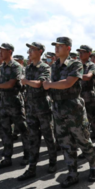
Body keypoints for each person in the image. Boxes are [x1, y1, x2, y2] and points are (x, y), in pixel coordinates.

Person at [44, 37, 95, 188]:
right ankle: (72, 173)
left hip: (73, 108)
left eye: (60, 46)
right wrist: (49, 86)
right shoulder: (54, 66)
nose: (56, 48)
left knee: (83, 140)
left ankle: (93, 167)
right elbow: (51, 85)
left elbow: (68, 83)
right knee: (65, 143)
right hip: (58, 108)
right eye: (55, 46)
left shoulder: (75, 63)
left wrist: (49, 85)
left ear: (68, 48)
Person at [17, 42, 58, 181]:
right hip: (31, 108)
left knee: (48, 136)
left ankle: (53, 162)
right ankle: (32, 167)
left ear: (40, 51)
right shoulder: (28, 68)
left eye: (32, 49)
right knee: (33, 139)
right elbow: (27, 85)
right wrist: (26, 83)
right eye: (29, 49)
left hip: (43, 108)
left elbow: (41, 84)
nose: (29, 51)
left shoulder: (45, 67)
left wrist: (26, 81)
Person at [0, 43, 30, 169]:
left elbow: (11, 83)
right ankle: (7, 157)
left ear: (10, 52)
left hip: (14, 102)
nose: (0, 53)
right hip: (4, 102)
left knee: (23, 130)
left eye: (3, 51)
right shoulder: (3, 66)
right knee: (5, 131)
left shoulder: (16, 66)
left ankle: (27, 155)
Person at [77, 45, 95, 155]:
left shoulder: (92, 65)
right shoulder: (77, 65)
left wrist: (73, 75)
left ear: (89, 53)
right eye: (79, 52)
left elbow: (88, 76)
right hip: (78, 98)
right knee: (82, 126)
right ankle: (87, 149)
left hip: (90, 98)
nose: (80, 54)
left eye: (83, 52)